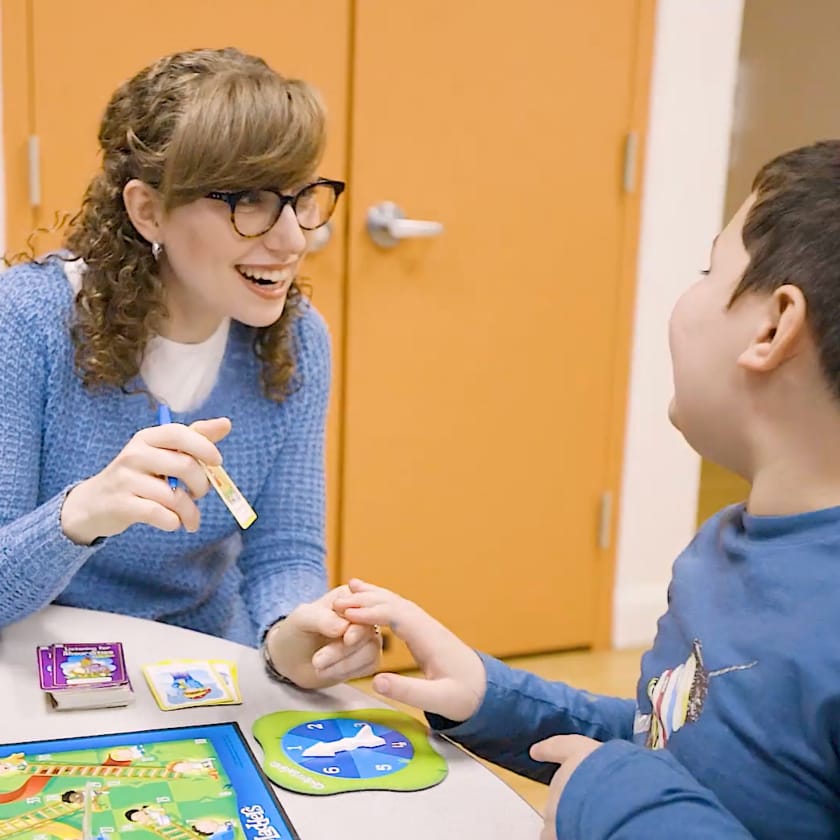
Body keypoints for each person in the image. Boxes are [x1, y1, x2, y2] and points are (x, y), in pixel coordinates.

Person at [333, 141, 840, 837]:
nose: (687, 291)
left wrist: (609, 796)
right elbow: (666, 747)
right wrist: (493, 699)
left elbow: (641, 785)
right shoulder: (722, 547)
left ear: (775, 327)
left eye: (708, 268)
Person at [0, 47, 379, 689]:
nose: (292, 240)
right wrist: (82, 513)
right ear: (148, 210)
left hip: (200, 665)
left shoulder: (297, 340)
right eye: (250, 201)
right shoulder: (27, 321)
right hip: (39, 660)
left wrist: (295, 635)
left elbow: (284, 553)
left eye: (300, 198)